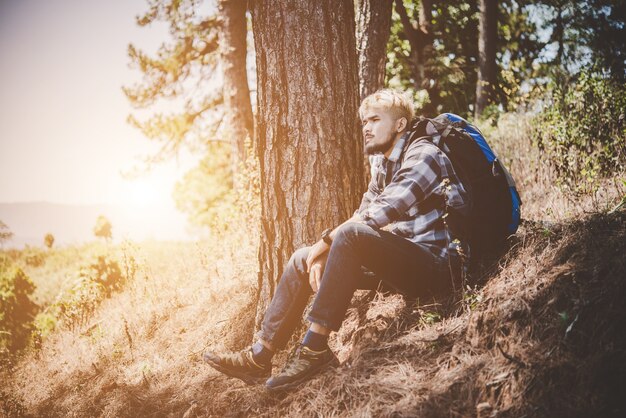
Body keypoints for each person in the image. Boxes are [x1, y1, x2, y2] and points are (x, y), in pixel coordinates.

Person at [203, 89, 469, 392]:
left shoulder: (424, 155)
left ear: (400, 125)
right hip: (405, 264)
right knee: (302, 258)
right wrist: (320, 254)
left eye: (374, 119)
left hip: (437, 268)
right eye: (363, 121)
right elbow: (362, 212)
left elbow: (382, 212)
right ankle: (260, 356)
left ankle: (315, 349)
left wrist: (326, 242)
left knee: (346, 236)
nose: (366, 127)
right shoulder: (384, 164)